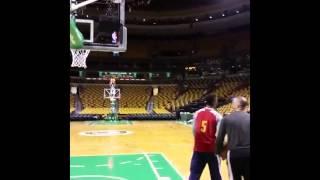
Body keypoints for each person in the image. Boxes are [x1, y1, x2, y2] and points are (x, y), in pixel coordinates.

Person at [189, 95, 222, 180]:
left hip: (198, 149)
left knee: (194, 174)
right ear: (214, 102)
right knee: (216, 175)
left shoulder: (197, 113)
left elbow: (195, 131)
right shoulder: (217, 115)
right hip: (212, 150)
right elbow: (218, 135)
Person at [216, 96, 250, 180]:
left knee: (234, 177)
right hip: (249, 152)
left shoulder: (226, 119)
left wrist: (219, 152)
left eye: (233, 103)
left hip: (234, 153)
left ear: (237, 105)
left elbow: (219, 138)